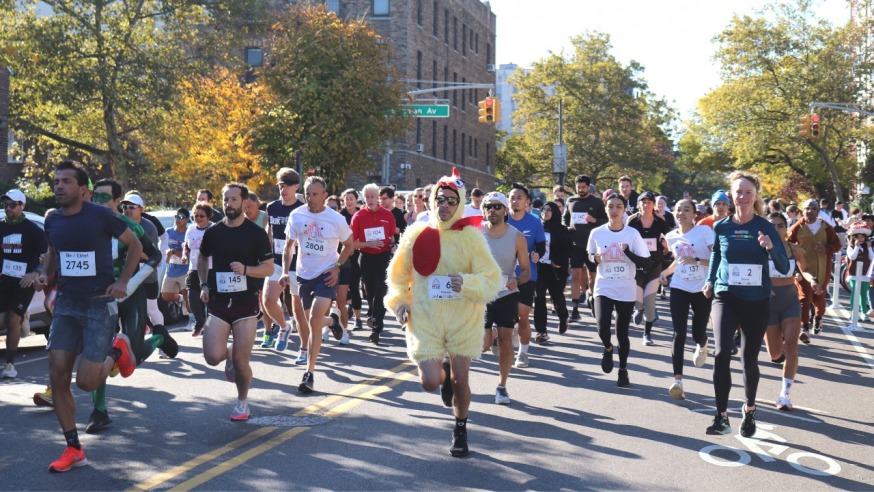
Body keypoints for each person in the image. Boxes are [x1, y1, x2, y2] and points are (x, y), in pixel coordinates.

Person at [385, 168, 501, 458]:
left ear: (459, 203)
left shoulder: (471, 238)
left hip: (463, 317)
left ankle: (460, 427)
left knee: (462, 381)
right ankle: (442, 374)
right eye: (440, 199)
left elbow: (492, 279)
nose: (445, 205)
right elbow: (398, 277)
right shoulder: (415, 234)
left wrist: (468, 283)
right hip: (426, 318)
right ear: (432, 201)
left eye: (451, 200)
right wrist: (400, 302)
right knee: (429, 382)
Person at [38, 160, 142, 472]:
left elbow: (135, 246)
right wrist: (45, 274)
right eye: (56, 181)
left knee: (85, 383)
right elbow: (54, 253)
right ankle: (73, 448)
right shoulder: (52, 220)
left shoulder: (101, 215)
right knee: (57, 375)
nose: (59, 186)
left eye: (66, 181)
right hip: (68, 303)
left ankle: (118, 350)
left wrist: (123, 281)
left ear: (82, 189)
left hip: (99, 304)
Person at [703, 171, 789, 437]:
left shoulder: (765, 227)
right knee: (720, 354)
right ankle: (721, 416)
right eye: (738, 192)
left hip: (756, 300)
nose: (742, 197)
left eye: (748, 192)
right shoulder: (722, 226)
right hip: (726, 295)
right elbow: (717, 255)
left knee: (748, 359)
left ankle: (749, 410)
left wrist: (770, 248)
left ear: (755, 196)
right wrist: (710, 281)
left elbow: (785, 266)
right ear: (731, 196)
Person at [86, 178, 170, 434]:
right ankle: (99, 412)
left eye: (104, 198)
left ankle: (158, 337)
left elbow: (155, 256)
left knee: (134, 356)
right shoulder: (86, 227)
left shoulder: (131, 227)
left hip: (131, 295)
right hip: (101, 298)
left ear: (116, 201)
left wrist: (132, 282)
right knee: (97, 352)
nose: (97, 202)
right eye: (95, 197)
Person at [198, 182, 273, 421]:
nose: (228, 204)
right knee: (212, 357)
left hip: (245, 304)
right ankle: (227, 353)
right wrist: (203, 284)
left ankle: (242, 402)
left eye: (233, 200)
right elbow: (202, 258)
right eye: (225, 200)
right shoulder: (213, 232)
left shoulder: (256, 233)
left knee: (242, 362)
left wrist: (246, 269)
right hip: (219, 303)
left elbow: (268, 268)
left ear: (243, 203)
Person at [281, 176, 351, 393]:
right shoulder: (297, 215)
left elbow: (349, 246)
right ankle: (334, 320)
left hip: (326, 274)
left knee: (313, 320)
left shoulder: (336, 219)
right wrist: (285, 271)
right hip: (303, 275)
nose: (310, 199)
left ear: (324, 196)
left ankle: (309, 373)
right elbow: (289, 246)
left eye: (314, 194)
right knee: (315, 319)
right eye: (307, 194)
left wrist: (337, 266)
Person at [587, 193, 651, 387]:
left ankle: (623, 369)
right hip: (604, 285)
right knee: (602, 326)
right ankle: (607, 348)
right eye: (611, 207)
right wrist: (594, 259)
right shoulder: (597, 233)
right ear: (605, 209)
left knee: (622, 332)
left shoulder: (632, 234)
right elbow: (589, 257)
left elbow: (645, 262)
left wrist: (627, 252)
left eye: (618, 207)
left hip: (626, 287)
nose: (614, 211)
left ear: (624, 210)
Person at [660, 199, 713, 400]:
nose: (681, 213)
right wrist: (664, 273)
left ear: (694, 214)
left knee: (697, 331)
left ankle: (703, 342)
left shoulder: (704, 232)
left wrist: (698, 260)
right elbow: (677, 261)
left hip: (701, 288)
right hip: (680, 286)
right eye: (678, 210)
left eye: (686, 210)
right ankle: (678, 381)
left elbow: (717, 258)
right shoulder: (672, 236)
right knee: (678, 332)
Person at [481, 191, 530, 404]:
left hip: (506, 293)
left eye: (497, 206)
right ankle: (490, 336)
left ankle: (502, 386)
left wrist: (517, 281)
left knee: (507, 339)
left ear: (505, 210)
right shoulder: (475, 233)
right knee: (481, 345)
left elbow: (527, 270)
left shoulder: (516, 236)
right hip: (481, 293)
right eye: (488, 206)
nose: (492, 210)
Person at [764, 211, 812, 412]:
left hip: (790, 301)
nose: (776, 229)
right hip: (768, 304)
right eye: (772, 225)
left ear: (786, 228)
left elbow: (805, 270)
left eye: (780, 225)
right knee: (775, 353)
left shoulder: (795, 250)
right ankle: (780, 343)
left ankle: (785, 395)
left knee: (792, 346)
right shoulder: (760, 250)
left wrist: (813, 280)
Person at [1, 189, 48, 379]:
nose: (8, 209)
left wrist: (34, 272)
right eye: (5, 205)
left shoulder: (33, 230)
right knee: (4, 320)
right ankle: (24, 317)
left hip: (24, 282)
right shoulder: (1, 227)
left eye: (12, 205)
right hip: (4, 280)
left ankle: (10, 364)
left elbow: (46, 257)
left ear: (22, 206)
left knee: (12, 319)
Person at [262, 168, 305, 353]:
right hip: (277, 262)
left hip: (299, 264)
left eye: (287, 186)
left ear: (296, 186)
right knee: (268, 300)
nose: (283, 190)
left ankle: (310, 340)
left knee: (301, 311)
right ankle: (283, 327)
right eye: (280, 186)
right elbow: (269, 232)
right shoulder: (272, 207)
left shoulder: (302, 209)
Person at [787, 199, 840, 338]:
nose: (809, 211)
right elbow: (787, 246)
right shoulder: (797, 228)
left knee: (819, 298)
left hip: (823, 269)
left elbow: (837, 245)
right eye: (806, 208)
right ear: (802, 211)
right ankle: (804, 327)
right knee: (804, 297)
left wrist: (827, 248)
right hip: (803, 269)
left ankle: (818, 318)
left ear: (817, 211)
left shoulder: (826, 227)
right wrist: (794, 268)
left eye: (813, 208)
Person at [507, 183, 546, 369]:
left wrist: (538, 254)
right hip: (503, 276)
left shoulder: (534, 221)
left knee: (523, 316)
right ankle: (510, 330)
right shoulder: (501, 219)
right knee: (507, 316)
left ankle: (523, 353)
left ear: (527, 202)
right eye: (512, 198)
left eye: (519, 198)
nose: (515, 201)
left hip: (527, 275)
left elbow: (540, 246)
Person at [351, 184, 396, 345]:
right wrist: (368, 244)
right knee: (369, 291)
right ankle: (373, 313)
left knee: (381, 291)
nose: (370, 200)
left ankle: (376, 326)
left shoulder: (387, 215)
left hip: (383, 257)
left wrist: (393, 246)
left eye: (373, 196)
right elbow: (354, 242)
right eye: (367, 197)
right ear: (364, 198)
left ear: (378, 197)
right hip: (366, 257)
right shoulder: (358, 216)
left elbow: (391, 238)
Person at [627, 191, 671, 345]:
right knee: (639, 301)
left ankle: (647, 334)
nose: (646, 205)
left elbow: (671, 237)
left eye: (649, 202)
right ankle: (638, 309)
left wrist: (666, 245)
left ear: (653, 204)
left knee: (650, 300)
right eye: (643, 202)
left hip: (654, 264)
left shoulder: (660, 221)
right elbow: (624, 238)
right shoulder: (632, 221)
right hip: (637, 265)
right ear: (638, 204)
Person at [563, 175, 607, 321]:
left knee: (592, 277)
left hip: (592, 245)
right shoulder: (571, 201)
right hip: (576, 245)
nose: (581, 190)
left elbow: (606, 221)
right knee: (575, 276)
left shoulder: (597, 202)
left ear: (588, 187)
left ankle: (593, 301)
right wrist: (567, 228)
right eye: (578, 187)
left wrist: (595, 220)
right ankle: (575, 309)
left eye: (583, 187)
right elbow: (565, 219)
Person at [121, 192, 164, 338]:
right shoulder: (119, 224)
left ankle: (162, 340)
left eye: (132, 207)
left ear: (141, 209)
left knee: (151, 309)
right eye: (125, 206)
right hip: (125, 273)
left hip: (146, 273)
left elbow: (152, 255)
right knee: (123, 310)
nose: (127, 209)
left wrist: (133, 249)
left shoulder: (149, 227)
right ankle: (125, 347)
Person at [534, 201, 572, 341]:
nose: (545, 212)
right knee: (539, 298)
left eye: (549, 210)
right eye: (543, 209)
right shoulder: (538, 227)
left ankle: (563, 317)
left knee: (556, 297)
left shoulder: (562, 230)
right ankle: (541, 331)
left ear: (555, 212)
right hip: (540, 267)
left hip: (556, 269)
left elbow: (568, 250)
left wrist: (558, 261)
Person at [182, 202, 212, 337]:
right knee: (192, 296)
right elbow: (186, 246)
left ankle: (211, 325)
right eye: (196, 216)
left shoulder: (214, 229)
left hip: (210, 268)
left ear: (208, 216)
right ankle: (199, 322)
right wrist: (184, 255)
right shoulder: (191, 229)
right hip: (193, 267)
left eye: (201, 216)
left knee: (209, 298)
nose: (198, 218)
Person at [340, 189, 364, 331]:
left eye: (351, 199)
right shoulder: (339, 216)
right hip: (343, 255)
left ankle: (358, 318)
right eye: (346, 199)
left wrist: (355, 244)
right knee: (342, 287)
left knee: (355, 286)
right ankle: (347, 305)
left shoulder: (361, 213)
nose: (348, 201)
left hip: (357, 254)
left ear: (356, 200)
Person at [161, 208, 191, 318]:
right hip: (171, 270)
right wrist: (167, 253)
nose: (177, 219)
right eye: (176, 217)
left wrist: (174, 252)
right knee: (166, 295)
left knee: (188, 296)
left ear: (187, 219)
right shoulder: (168, 232)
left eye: (181, 217)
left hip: (185, 270)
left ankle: (193, 321)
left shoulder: (188, 233)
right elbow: (163, 248)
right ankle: (181, 299)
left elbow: (189, 253)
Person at [846, 220, 872, 320]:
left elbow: (871, 258)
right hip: (854, 274)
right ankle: (853, 312)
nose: (861, 239)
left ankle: (864, 312)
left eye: (862, 237)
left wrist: (869, 248)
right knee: (854, 293)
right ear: (854, 237)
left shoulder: (867, 247)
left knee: (863, 294)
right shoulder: (851, 247)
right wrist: (856, 247)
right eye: (858, 237)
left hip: (865, 274)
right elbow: (852, 257)